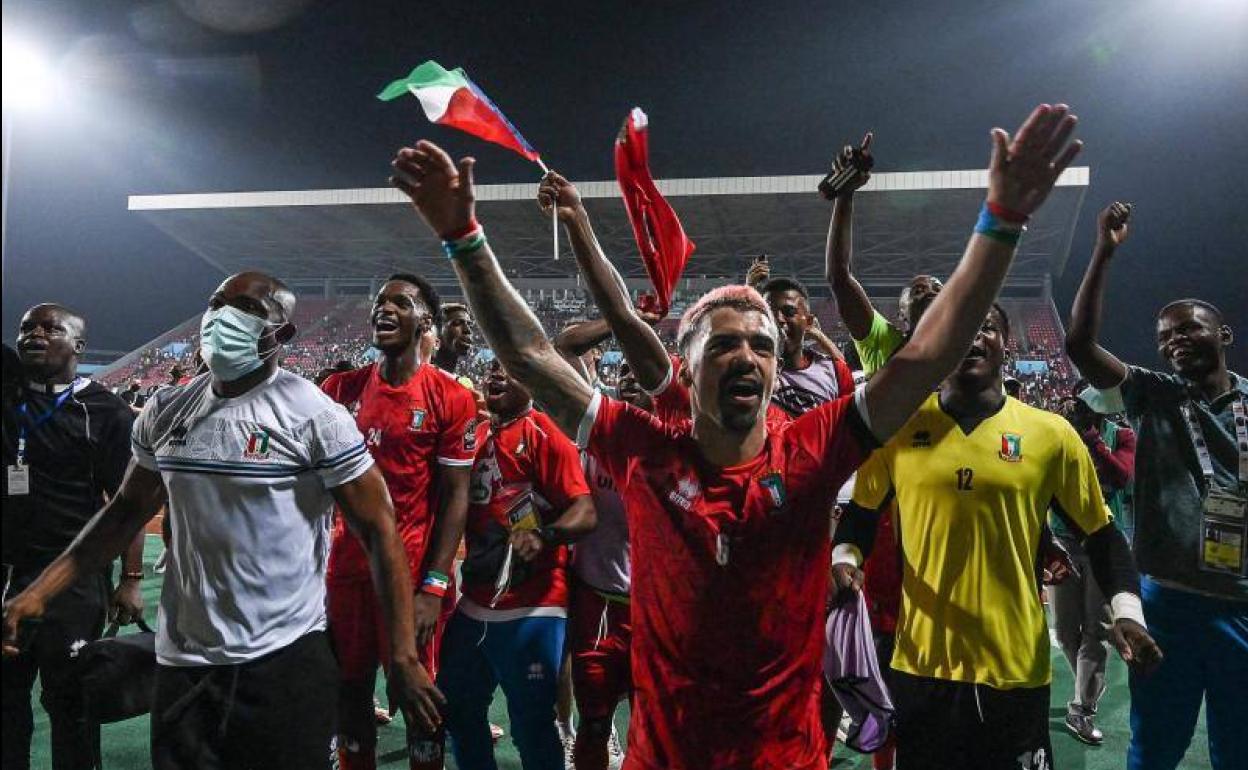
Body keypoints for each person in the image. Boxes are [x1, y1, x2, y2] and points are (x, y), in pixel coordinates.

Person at [391, 102, 1087, 769]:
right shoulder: (643, 447)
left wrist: (1002, 220)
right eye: (724, 346)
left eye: (760, 345)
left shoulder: (814, 446)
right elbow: (532, 358)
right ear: (685, 370)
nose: (747, 356)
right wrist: (465, 239)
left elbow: (926, 355)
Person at [2, 273, 441, 770]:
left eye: (248, 309)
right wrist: (38, 592)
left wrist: (402, 656)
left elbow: (379, 529)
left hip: (283, 659)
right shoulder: (167, 409)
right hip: (184, 665)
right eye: (217, 303)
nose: (223, 316)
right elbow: (124, 512)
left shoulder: (315, 415)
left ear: (283, 333)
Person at [836, 300, 1160, 770]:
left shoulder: (1051, 434)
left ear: (1005, 344)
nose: (971, 337)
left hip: (1015, 669)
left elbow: (1102, 535)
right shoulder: (900, 429)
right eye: (958, 329)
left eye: (984, 328)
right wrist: (844, 560)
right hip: (922, 667)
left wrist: (1128, 612)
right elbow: (860, 516)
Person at [1065, 201, 1247, 770]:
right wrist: (1104, 251)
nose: (1174, 342)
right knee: (1154, 749)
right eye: (1164, 336)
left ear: (1225, 334)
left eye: (1189, 328)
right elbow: (1078, 346)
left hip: (1242, 602)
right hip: (1165, 599)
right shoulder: (1153, 393)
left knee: (1238, 748)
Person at [321, 274, 478, 770]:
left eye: (401, 303)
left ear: (425, 322)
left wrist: (434, 584)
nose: (385, 309)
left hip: (410, 577)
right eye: (380, 302)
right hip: (344, 572)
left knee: (417, 696)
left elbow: (456, 498)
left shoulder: (450, 398)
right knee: (349, 690)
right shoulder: (338, 391)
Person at [2, 304, 145, 770]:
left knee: (73, 705)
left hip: (73, 578)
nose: (35, 335)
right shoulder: (7, 392)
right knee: (5, 706)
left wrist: (131, 578)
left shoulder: (106, 410)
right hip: (6, 575)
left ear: (78, 347)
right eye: (27, 328)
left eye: (50, 328)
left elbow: (128, 503)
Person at [437, 359, 596, 770]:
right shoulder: (474, 436)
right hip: (475, 601)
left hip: (534, 605)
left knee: (531, 725)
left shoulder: (545, 435)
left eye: (509, 369)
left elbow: (584, 511)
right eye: (491, 368)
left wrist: (545, 536)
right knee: (455, 706)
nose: (496, 375)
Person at [1049, 388, 1137, 744]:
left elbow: (1121, 477)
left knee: (1096, 629)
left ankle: (1081, 708)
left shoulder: (1122, 435)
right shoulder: (1060, 432)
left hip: (1103, 540)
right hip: (1062, 540)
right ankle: (1084, 688)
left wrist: (1094, 440)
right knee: (1067, 631)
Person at [432, 301, 475, 374]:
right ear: (436, 331)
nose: (468, 330)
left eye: (469, 325)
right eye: (457, 323)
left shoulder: (463, 383)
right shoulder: (417, 378)